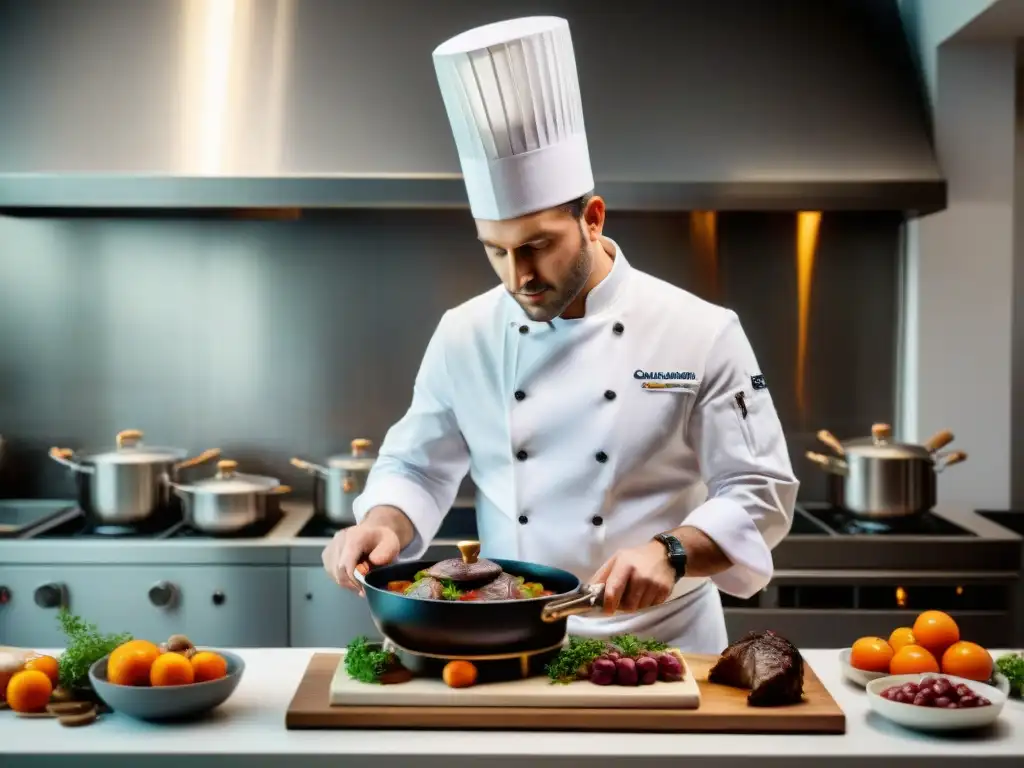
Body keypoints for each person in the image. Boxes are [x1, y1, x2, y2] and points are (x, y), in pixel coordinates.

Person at [321, 16, 798, 653]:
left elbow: (759, 491)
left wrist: (674, 551)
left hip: (665, 646)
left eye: (538, 246)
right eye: (495, 251)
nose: (519, 276)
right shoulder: (464, 333)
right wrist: (382, 521)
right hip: (505, 637)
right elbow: (417, 463)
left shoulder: (701, 332)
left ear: (593, 218)